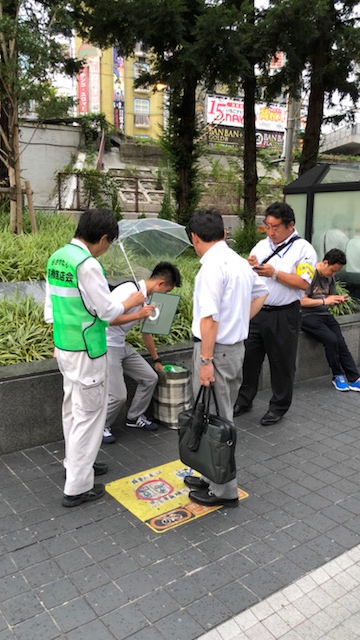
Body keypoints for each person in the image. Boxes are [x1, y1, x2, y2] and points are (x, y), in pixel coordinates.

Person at [45, 209, 146, 507]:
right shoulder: (87, 265)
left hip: (65, 347)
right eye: (109, 243)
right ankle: (77, 487)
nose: (107, 249)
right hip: (88, 351)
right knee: (88, 417)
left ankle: (76, 464)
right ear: (102, 238)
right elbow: (107, 311)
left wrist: (57, 341)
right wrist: (132, 301)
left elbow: (50, 307)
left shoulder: (59, 257)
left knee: (71, 410)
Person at [185, 209, 269, 508]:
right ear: (222, 233)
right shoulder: (238, 262)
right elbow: (263, 292)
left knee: (219, 420)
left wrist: (205, 362)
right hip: (233, 349)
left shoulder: (211, 268)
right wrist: (240, 320)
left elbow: (208, 319)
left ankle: (224, 489)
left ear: (195, 238)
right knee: (215, 415)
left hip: (214, 351)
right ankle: (211, 474)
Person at [234, 201, 317, 426]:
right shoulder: (261, 247)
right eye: (267, 227)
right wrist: (249, 266)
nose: (271, 232)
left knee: (282, 362)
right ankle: (244, 399)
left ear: (290, 225)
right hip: (257, 311)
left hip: (284, 314)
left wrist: (274, 273)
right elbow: (251, 279)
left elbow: (302, 282)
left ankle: (278, 406)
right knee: (249, 359)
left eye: (276, 227)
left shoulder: (304, 249)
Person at [102, 262, 182, 444]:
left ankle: (134, 417)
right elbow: (105, 320)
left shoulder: (146, 299)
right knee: (118, 395)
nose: (165, 296)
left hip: (121, 344)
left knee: (150, 378)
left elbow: (146, 332)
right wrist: (137, 314)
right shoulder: (128, 290)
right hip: (107, 344)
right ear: (161, 284)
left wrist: (157, 359)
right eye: (167, 291)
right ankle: (100, 427)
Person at [300, 248, 360, 394]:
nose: (333, 275)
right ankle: (337, 375)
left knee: (340, 342)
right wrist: (324, 301)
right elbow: (300, 301)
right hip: (306, 316)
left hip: (324, 314)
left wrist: (336, 300)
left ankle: (355, 379)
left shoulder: (330, 277)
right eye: (332, 271)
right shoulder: (309, 274)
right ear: (325, 262)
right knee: (331, 339)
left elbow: (328, 298)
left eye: (336, 272)